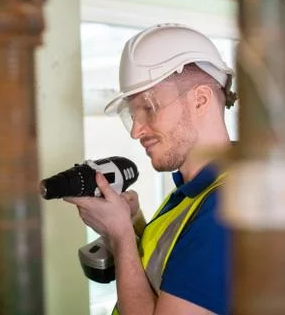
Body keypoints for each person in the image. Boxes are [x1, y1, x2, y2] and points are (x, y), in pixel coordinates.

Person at [64, 23, 238, 315]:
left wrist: (119, 234)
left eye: (149, 107)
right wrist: (133, 222)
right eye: (132, 113)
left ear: (201, 100)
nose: (136, 131)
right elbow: (167, 271)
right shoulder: (196, 191)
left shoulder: (227, 210)